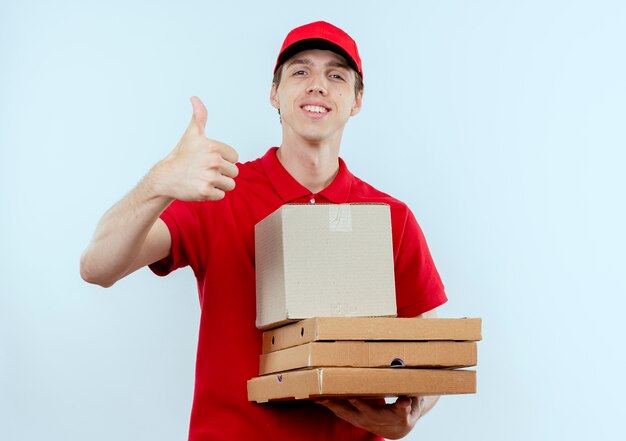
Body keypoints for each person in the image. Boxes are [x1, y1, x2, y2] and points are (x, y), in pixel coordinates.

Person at [80, 21, 447, 440]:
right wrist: (158, 184)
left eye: (336, 75)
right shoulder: (218, 192)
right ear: (274, 93)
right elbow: (97, 267)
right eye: (300, 71)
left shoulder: (390, 217)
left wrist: (411, 412)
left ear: (357, 101)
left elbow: (431, 353)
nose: (318, 86)